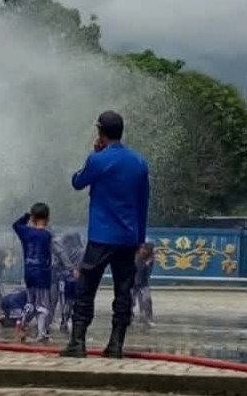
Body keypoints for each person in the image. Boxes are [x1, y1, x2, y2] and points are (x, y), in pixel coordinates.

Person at [62, 110, 150, 359]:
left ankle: (77, 342)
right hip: (128, 238)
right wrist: (140, 238)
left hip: (101, 237)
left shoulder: (98, 159)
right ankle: (116, 345)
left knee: (86, 289)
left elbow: (77, 182)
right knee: (124, 292)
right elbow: (144, 203)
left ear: (100, 132)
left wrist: (94, 155)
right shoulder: (139, 162)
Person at [12, 203, 61, 343]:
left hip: (29, 273)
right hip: (43, 274)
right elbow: (58, 253)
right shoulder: (48, 235)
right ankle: (42, 334)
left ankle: (21, 322)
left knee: (31, 303)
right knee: (43, 305)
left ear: (33, 218)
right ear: (48, 218)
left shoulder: (25, 232)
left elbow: (15, 225)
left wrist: (26, 216)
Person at [133, 242, 155, 326]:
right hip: (132, 282)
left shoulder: (150, 259)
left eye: (146, 249)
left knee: (147, 299)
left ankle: (148, 318)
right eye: (142, 248)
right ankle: (129, 317)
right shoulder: (136, 256)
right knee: (130, 300)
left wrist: (147, 264)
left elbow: (146, 273)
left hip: (143, 282)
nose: (144, 251)